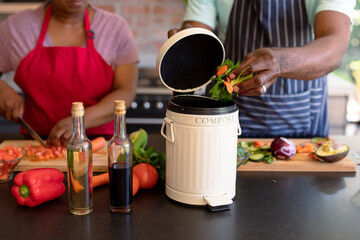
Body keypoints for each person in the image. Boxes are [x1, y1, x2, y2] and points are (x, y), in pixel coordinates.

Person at [168, 0, 355, 138]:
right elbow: (197, 27)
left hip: (303, 127)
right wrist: (187, 41)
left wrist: (281, 62)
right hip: (225, 122)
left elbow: (335, 47)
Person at [0, 0, 139, 145]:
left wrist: (80, 121)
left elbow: (126, 91)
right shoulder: (15, 28)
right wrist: (2, 89)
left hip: (101, 144)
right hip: (37, 144)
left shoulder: (115, 27)